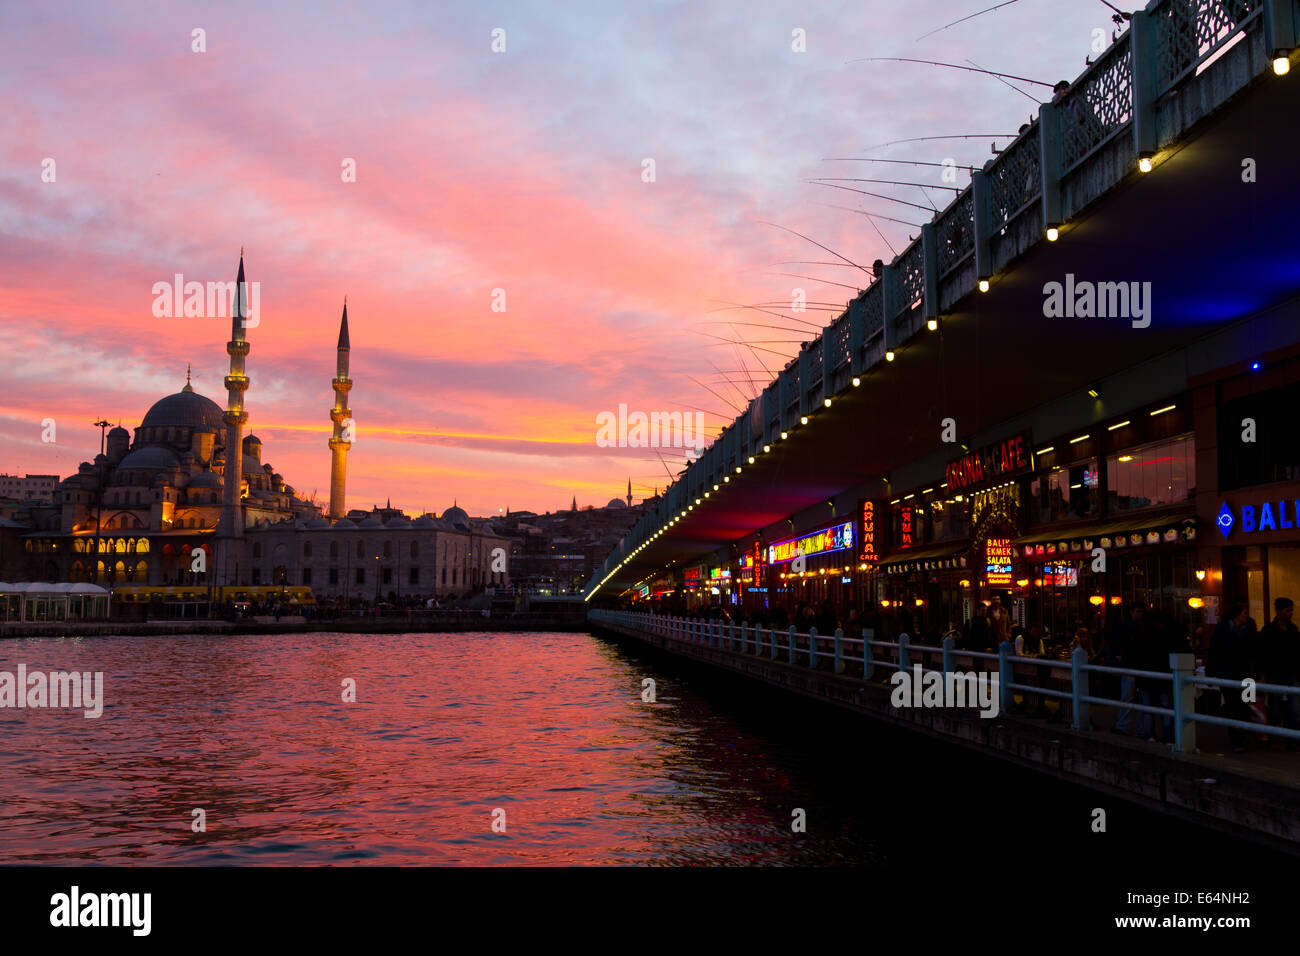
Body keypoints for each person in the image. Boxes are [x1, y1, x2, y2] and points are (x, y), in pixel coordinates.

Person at [1208, 601, 1257, 753]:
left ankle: (1243, 735)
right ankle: (1237, 738)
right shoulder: (1223, 629)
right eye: (1244, 613)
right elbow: (1214, 650)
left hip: (1244, 673)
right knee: (1233, 705)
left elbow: (1255, 652)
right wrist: (1211, 672)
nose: (1246, 616)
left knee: (1245, 705)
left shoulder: (1248, 628)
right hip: (1230, 672)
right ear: (1237, 615)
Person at [1259, 596, 1300, 749]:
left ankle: (1291, 738)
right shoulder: (1269, 631)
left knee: (1294, 708)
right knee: (1276, 708)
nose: (1291, 613)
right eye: (1288, 610)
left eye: (1291, 610)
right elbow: (1262, 654)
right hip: (1275, 674)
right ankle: (1275, 734)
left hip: (1291, 674)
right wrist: (1263, 674)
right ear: (1279, 611)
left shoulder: (1292, 629)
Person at [1110, 603, 1144, 736]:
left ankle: (1125, 726)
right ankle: (1140, 729)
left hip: (1130, 665)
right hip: (1134, 665)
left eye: (1141, 612)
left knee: (1129, 696)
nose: (1140, 614)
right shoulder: (1138, 628)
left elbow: (1115, 644)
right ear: (1131, 612)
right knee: (1135, 697)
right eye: (1138, 611)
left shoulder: (1125, 627)